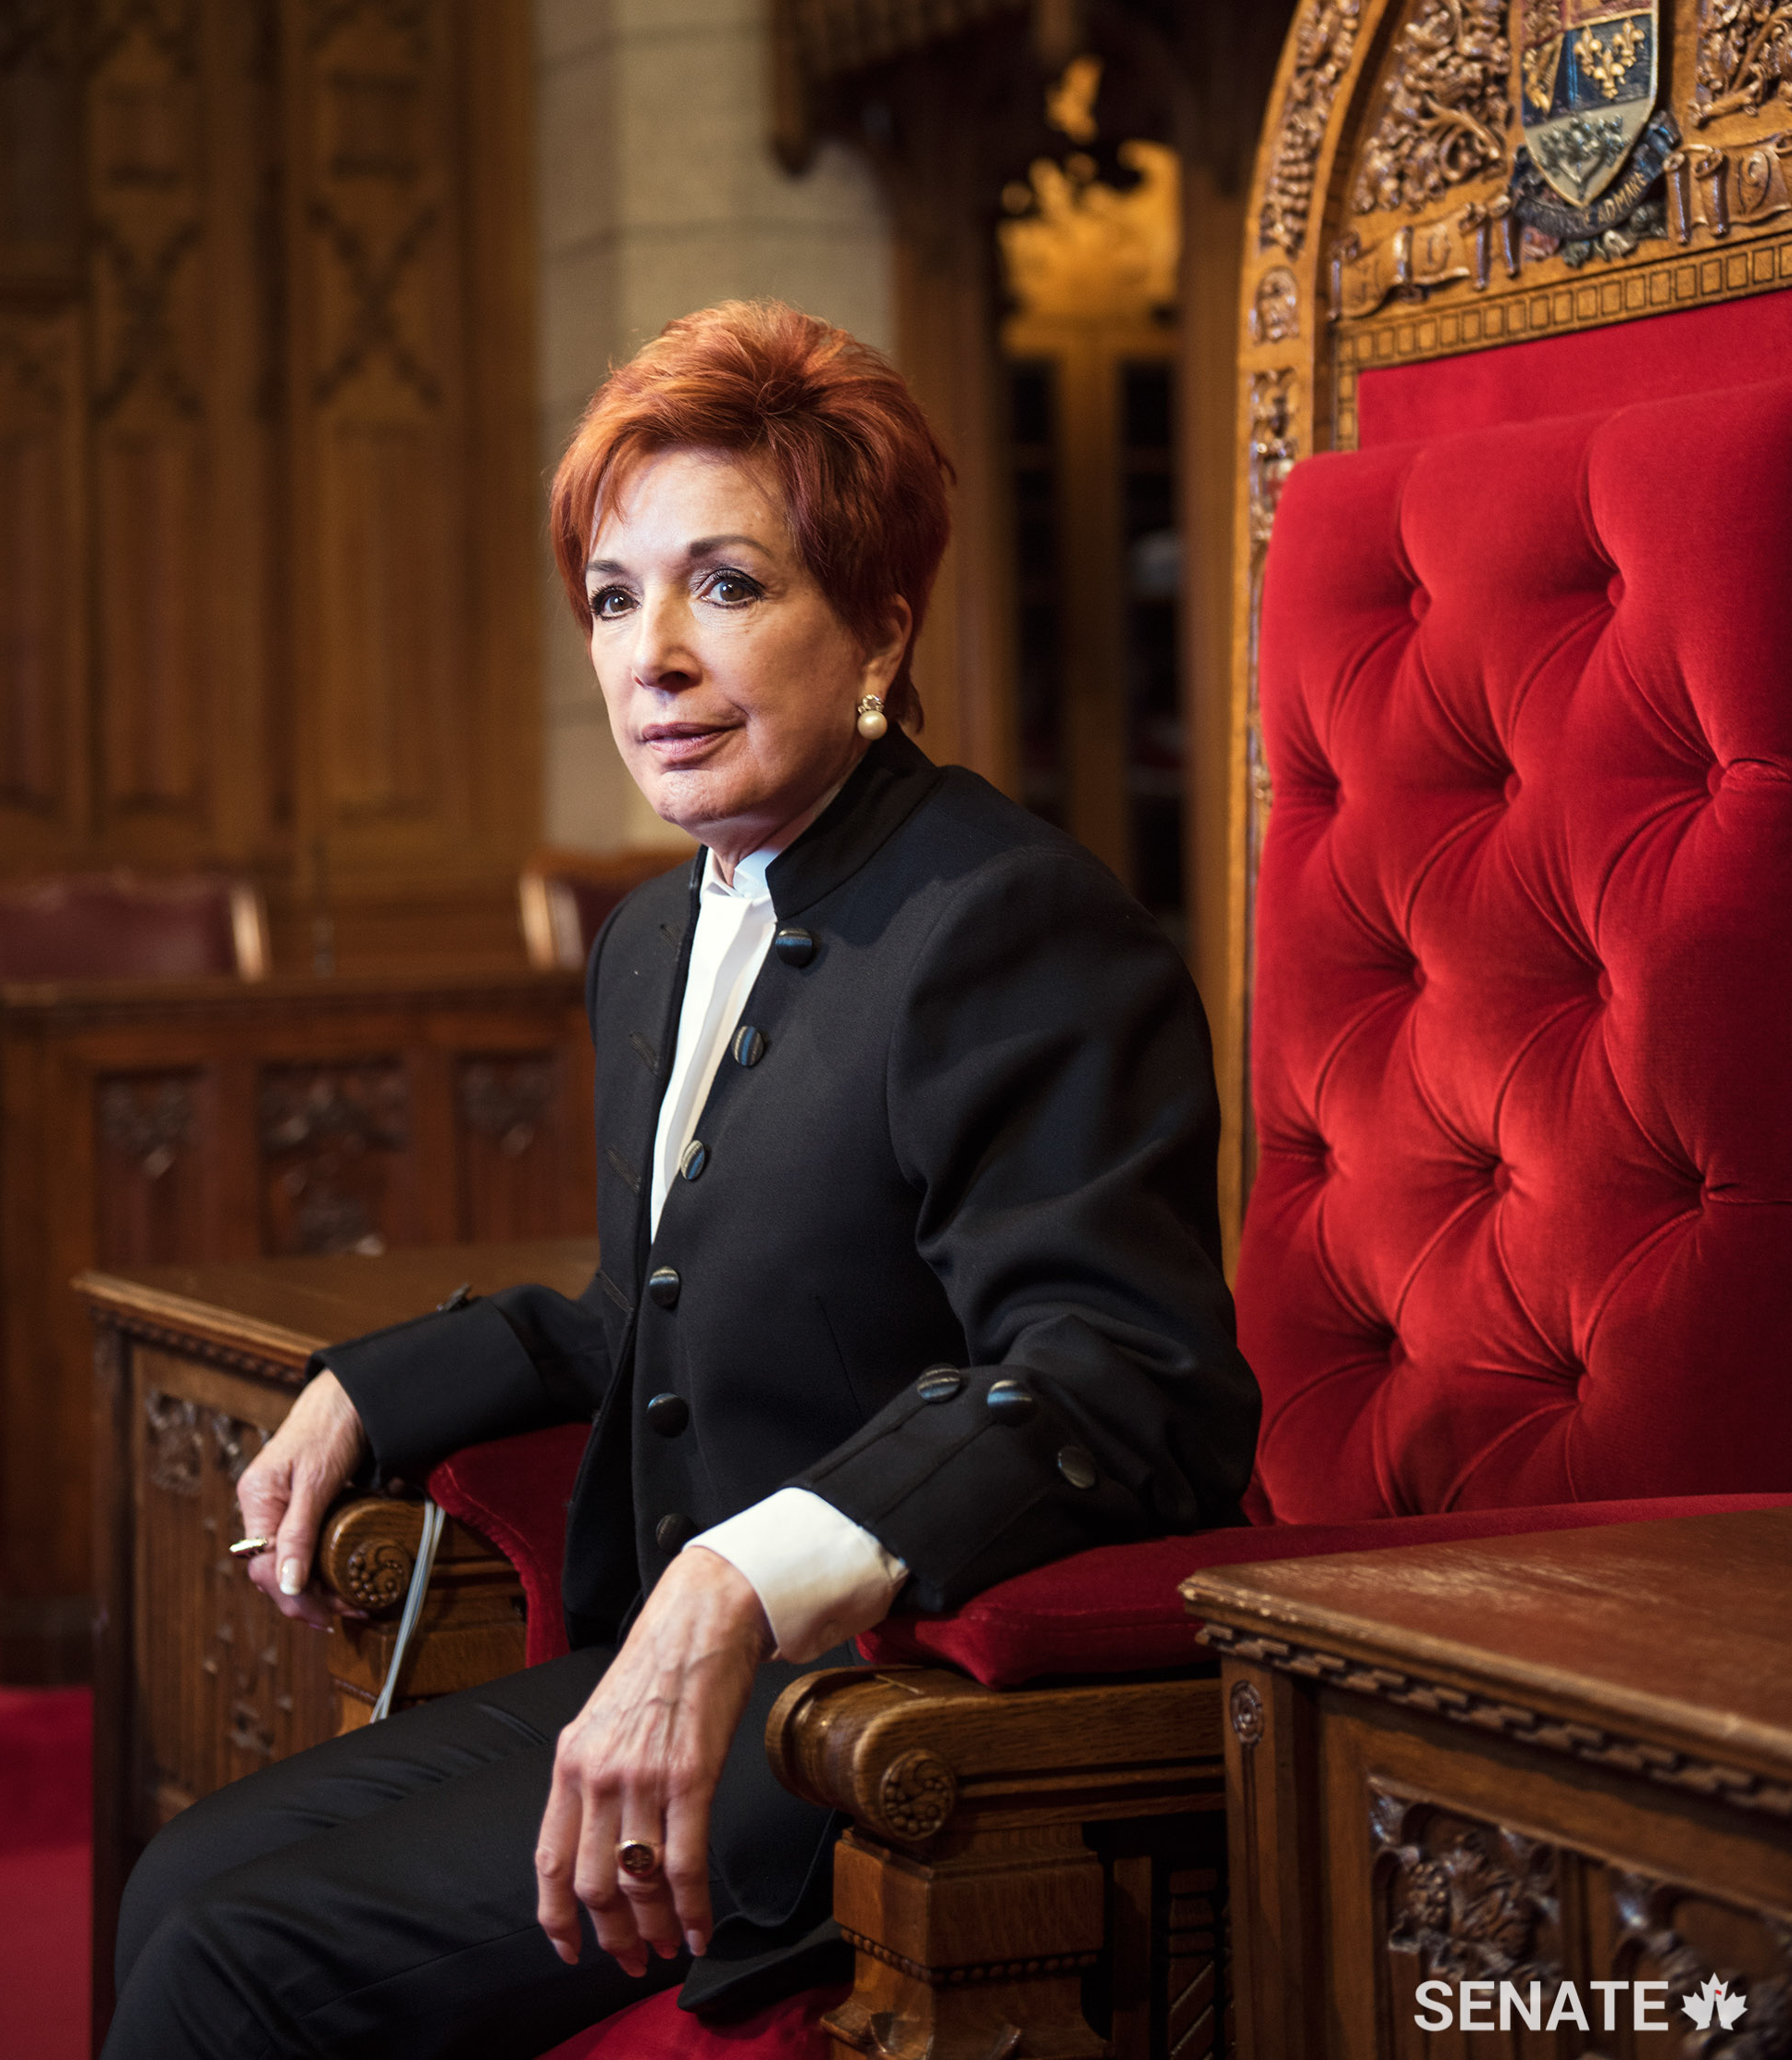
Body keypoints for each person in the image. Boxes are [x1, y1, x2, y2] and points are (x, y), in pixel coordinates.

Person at [106, 299, 1260, 2060]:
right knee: (176, 1882)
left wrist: (731, 1585)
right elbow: (649, 1314)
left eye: (724, 586)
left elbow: (1119, 1383)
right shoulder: (652, 938)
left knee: (234, 1961)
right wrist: (371, 1384)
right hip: (679, 1659)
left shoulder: (1009, 923)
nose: (649, 656)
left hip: (885, 1708)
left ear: (878, 623)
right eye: (610, 596)